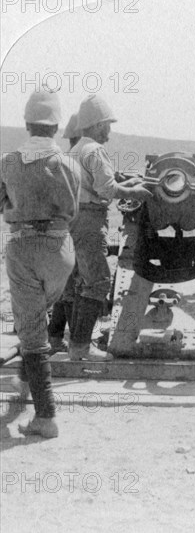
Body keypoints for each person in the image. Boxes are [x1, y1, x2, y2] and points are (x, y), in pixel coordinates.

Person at [0, 88, 82, 438]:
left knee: (31, 327)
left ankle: (46, 417)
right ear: (56, 126)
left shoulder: (7, 161)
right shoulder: (69, 163)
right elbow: (73, 209)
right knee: (34, 316)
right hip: (61, 250)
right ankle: (23, 377)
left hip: (23, 247)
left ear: (26, 123)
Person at [68, 94, 152, 361]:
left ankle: (77, 345)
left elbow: (103, 182)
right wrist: (137, 192)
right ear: (97, 125)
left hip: (76, 219)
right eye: (107, 124)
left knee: (84, 282)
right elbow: (106, 189)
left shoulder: (77, 149)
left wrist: (127, 182)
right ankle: (81, 348)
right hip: (90, 220)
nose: (110, 130)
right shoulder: (94, 150)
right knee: (99, 281)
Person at [47, 112, 83, 353]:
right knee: (72, 286)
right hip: (72, 230)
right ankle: (75, 341)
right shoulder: (77, 162)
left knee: (65, 287)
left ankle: (55, 337)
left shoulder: (62, 160)